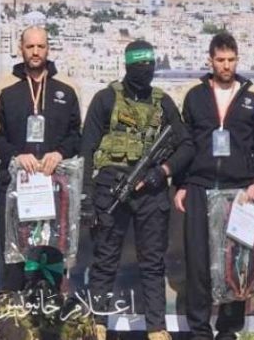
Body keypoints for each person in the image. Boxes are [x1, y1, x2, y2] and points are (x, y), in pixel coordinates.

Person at [80, 40, 194, 340]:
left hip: (151, 193)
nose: (145, 70)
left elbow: (185, 145)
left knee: (153, 263)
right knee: (105, 260)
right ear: (127, 66)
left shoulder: (163, 102)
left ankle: (156, 328)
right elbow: (87, 148)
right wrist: (87, 197)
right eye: (139, 65)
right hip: (110, 188)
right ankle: (97, 324)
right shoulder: (106, 99)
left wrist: (161, 172)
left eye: (149, 64)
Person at [173, 32, 254, 340]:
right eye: (220, 60)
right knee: (198, 263)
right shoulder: (195, 97)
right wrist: (182, 184)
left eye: (231, 60)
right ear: (210, 61)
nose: (226, 66)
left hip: (238, 192)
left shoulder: (252, 99)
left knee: (235, 262)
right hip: (200, 187)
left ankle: (228, 330)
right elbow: (185, 143)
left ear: (238, 60)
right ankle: (200, 331)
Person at [0, 26, 81, 291]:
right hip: (17, 186)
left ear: (48, 48)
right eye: (30, 47)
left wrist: (59, 153)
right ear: (21, 49)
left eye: (41, 46)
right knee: (15, 257)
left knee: (52, 255)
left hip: (55, 186)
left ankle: (49, 311)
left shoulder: (67, 89)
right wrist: (15, 155)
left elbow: (76, 135)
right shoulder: (4, 88)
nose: (36, 52)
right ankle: (14, 312)